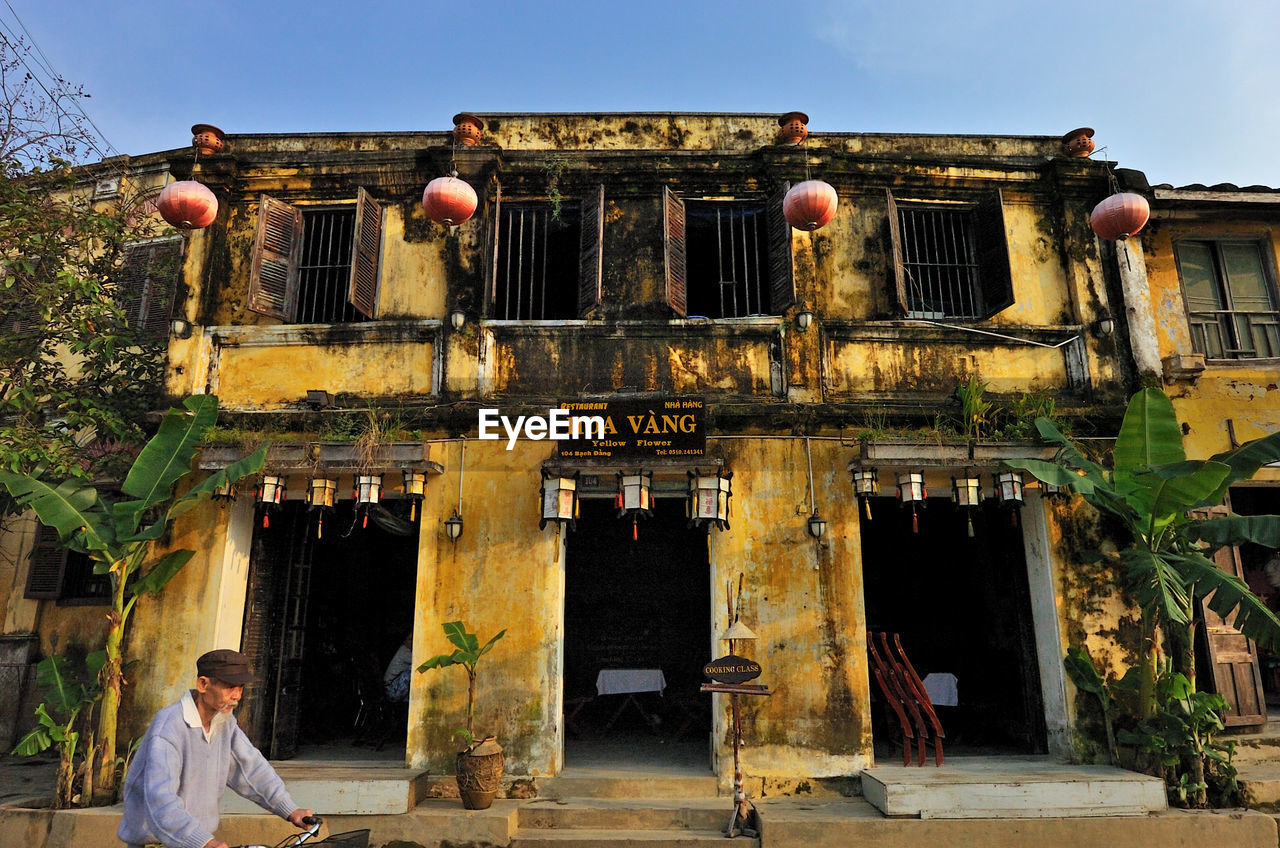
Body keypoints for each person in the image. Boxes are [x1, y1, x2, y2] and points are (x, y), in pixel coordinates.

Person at [118, 649, 314, 848]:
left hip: (196, 841)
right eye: (229, 687)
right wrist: (203, 842)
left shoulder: (224, 722)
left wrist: (290, 810)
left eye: (240, 687)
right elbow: (161, 799)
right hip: (158, 842)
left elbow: (250, 768)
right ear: (203, 684)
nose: (237, 696)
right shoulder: (169, 728)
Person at [383, 633, 413, 704]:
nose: (412, 642)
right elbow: (419, 661)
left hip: (392, 689)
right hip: (391, 690)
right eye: (409, 639)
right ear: (404, 641)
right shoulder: (403, 651)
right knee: (413, 669)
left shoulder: (406, 650)